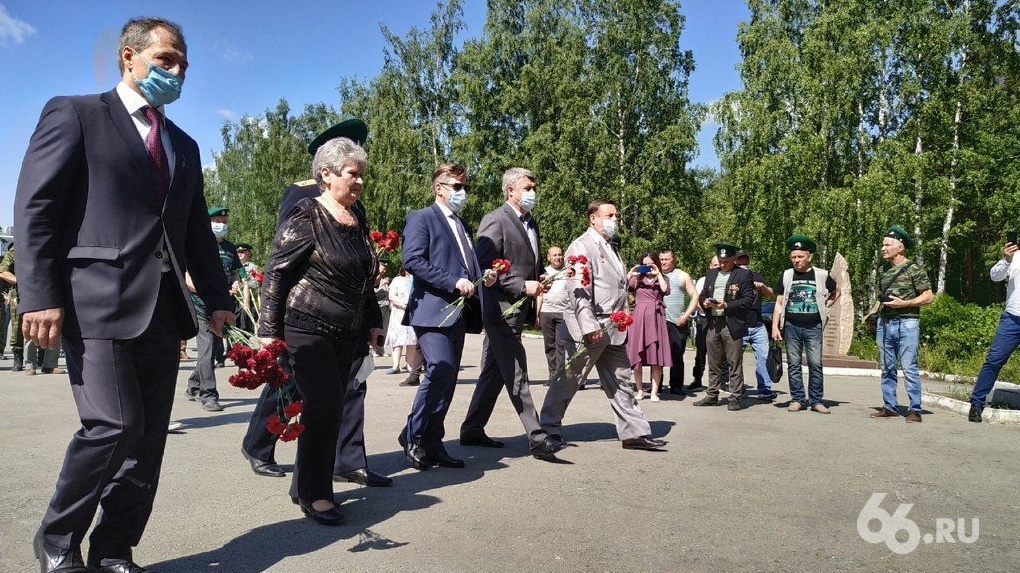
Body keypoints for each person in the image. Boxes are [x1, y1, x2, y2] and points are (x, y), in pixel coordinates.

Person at [15, 17, 234, 573]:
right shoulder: (78, 114)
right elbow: (36, 209)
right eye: (166, 60)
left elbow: (194, 234)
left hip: (162, 308)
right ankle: (57, 538)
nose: (177, 71)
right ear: (128, 58)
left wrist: (218, 297)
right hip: (95, 302)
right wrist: (38, 294)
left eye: (183, 63)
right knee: (114, 425)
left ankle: (114, 546)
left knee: (148, 442)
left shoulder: (182, 144)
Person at [242, 119, 392, 488]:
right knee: (295, 385)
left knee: (352, 385)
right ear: (326, 168)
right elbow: (285, 261)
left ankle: (349, 460)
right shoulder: (303, 197)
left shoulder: (353, 207)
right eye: (351, 165)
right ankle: (260, 445)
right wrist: (273, 330)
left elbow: (358, 264)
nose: (359, 178)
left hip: (350, 318)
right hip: (309, 319)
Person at [540, 200, 668, 451]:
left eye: (616, 215)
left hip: (614, 326)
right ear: (593, 218)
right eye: (610, 215)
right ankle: (548, 427)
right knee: (569, 379)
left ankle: (634, 432)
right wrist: (588, 326)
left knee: (622, 379)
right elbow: (578, 289)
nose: (615, 220)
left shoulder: (611, 247)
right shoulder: (580, 246)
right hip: (589, 328)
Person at [459, 167, 567, 459]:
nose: (532, 192)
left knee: (494, 372)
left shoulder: (531, 223)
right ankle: (536, 436)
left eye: (534, 187)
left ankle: (471, 429)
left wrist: (539, 281)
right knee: (517, 369)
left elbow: (526, 263)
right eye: (527, 187)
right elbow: (484, 266)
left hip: (520, 308)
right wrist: (522, 285)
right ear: (510, 191)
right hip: (501, 309)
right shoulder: (496, 220)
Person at [399, 162, 494, 471]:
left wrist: (484, 276)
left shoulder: (462, 224)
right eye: (457, 186)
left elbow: (466, 265)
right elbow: (412, 259)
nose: (463, 192)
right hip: (431, 310)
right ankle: (412, 435)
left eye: (465, 187)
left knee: (448, 377)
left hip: (458, 313)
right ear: (439, 188)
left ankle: (432, 441)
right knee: (440, 367)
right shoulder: (422, 218)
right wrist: (452, 281)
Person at [870, 226, 934, 423]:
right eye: (883, 244)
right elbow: (881, 297)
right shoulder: (882, 270)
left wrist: (904, 303)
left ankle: (915, 410)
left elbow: (929, 297)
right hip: (885, 323)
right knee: (887, 367)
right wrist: (873, 313)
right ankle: (890, 407)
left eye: (887, 244)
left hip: (907, 323)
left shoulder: (914, 269)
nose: (883, 248)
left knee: (909, 367)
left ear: (900, 247)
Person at [771, 237, 839, 413]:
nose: (797, 261)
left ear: (809, 257)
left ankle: (816, 400)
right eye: (793, 257)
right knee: (793, 363)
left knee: (815, 363)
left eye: (800, 257)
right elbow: (779, 302)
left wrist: (825, 306)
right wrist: (775, 326)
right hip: (791, 327)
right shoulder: (787, 275)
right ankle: (798, 399)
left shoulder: (821, 275)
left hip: (814, 326)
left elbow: (836, 291)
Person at [184, 207, 241, 411]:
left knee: (213, 347)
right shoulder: (196, 246)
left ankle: (193, 385)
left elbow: (235, 272)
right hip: (199, 303)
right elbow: (187, 277)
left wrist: (235, 284)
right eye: (217, 220)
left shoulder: (229, 248)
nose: (221, 225)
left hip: (221, 303)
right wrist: (209, 290)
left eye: (224, 222)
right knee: (207, 347)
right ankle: (208, 394)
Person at [693, 243, 755, 411]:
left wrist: (727, 305)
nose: (722, 264)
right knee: (713, 360)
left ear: (734, 259)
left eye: (726, 261)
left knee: (734, 361)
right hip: (713, 322)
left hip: (731, 323)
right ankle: (712, 394)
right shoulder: (712, 273)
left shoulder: (743, 275)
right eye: (720, 261)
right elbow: (703, 293)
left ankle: (735, 396)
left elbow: (749, 299)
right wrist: (704, 302)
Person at [969, 237, 1020, 422]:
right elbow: (995, 276)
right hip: (1013, 319)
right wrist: (1006, 259)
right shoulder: (1015, 256)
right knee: (993, 361)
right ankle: (976, 404)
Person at [626, 252, 672, 402]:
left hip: (656, 317)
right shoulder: (637, 279)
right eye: (644, 264)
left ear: (656, 263)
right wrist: (632, 272)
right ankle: (639, 390)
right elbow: (622, 287)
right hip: (639, 317)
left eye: (650, 264)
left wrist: (657, 273)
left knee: (655, 357)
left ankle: (654, 392)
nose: (647, 267)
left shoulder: (662, 278)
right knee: (637, 357)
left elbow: (665, 290)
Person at [734, 251, 777, 401]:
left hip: (757, 324)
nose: (743, 265)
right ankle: (736, 386)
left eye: (745, 262)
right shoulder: (732, 277)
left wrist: (762, 287)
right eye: (740, 263)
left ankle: (765, 388)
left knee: (764, 357)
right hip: (739, 324)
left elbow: (771, 294)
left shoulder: (756, 276)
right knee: (734, 359)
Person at [658, 250, 700, 395]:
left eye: (666, 259)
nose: (663, 262)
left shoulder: (682, 275)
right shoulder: (655, 275)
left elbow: (695, 296)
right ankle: (657, 386)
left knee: (676, 355)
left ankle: (676, 387)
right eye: (661, 259)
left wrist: (686, 315)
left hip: (678, 322)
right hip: (659, 322)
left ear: (673, 260)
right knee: (658, 356)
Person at [536, 245, 569, 386]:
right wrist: (537, 315)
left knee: (561, 345)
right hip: (546, 312)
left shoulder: (569, 271)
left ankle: (560, 376)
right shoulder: (545, 272)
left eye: (560, 254)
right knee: (549, 345)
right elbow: (540, 294)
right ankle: (552, 375)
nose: (558, 257)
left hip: (563, 313)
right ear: (549, 257)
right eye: (554, 255)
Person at [688, 256, 720, 393]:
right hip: (704, 319)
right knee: (701, 353)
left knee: (720, 354)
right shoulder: (702, 280)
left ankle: (721, 382)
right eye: (714, 265)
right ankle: (697, 380)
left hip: (719, 320)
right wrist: (704, 306)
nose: (717, 267)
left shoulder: (727, 278)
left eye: (719, 265)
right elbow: (697, 299)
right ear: (710, 266)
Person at [385, 267, 419, 374]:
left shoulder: (416, 280)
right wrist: (403, 304)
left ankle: (410, 366)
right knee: (397, 340)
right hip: (399, 313)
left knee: (411, 341)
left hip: (412, 313)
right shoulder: (397, 280)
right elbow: (391, 296)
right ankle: (396, 366)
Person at [0, 246, 23, 371]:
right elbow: (3, 271)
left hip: (40, 289)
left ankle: (42, 358)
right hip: (18, 293)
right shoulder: (15, 250)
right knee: (17, 325)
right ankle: (17, 358)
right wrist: (21, 281)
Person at [234, 242, 260, 332]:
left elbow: (256, 284)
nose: (239, 254)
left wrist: (242, 284)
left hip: (248, 303)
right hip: (234, 302)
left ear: (248, 253)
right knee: (233, 329)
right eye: (238, 252)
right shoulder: (231, 266)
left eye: (242, 251)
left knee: (247, 329)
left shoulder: (253, 267)